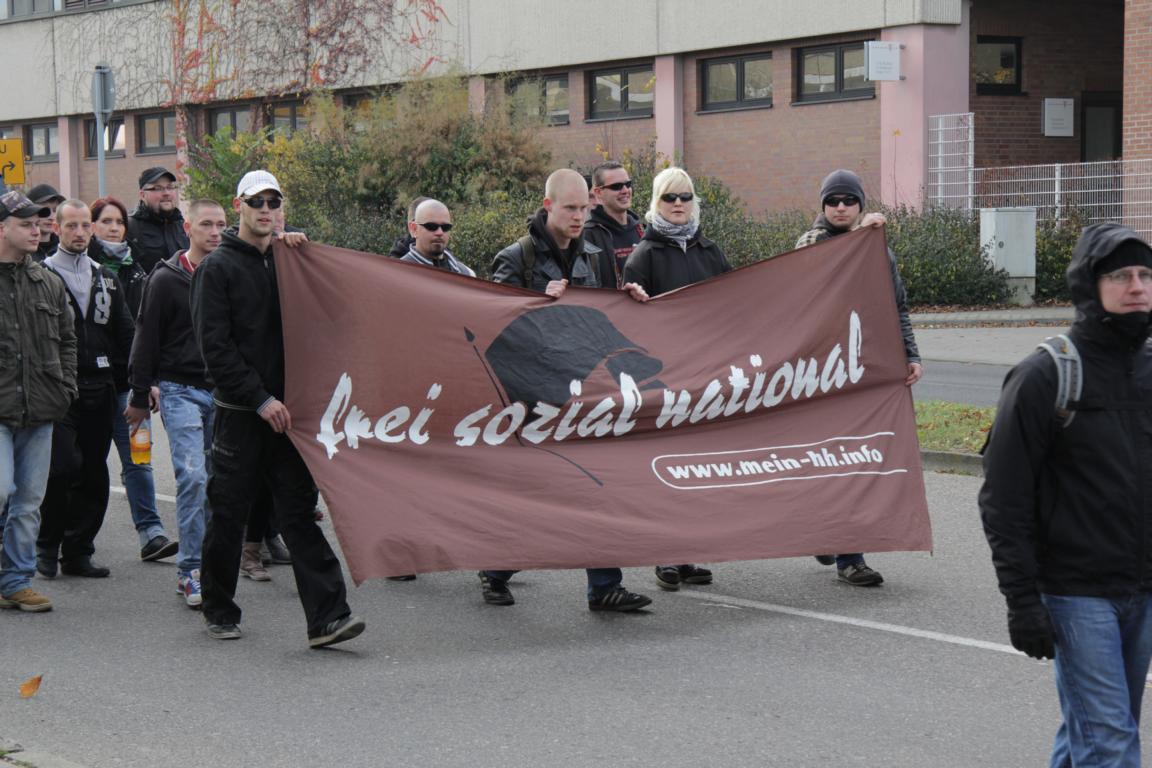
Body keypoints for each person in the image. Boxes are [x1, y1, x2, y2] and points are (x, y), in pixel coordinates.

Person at [980, 223, 1152, 767]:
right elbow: (1003, 499)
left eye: (1145, 274)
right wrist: (1022, 601)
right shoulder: (1045, 375)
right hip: (1076, 593)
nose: (1137, 286)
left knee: (1097, 730)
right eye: (1120, 276)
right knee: (1111, 743)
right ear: (1089, 285)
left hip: (1142, 589)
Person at [190, 170, 365, 647]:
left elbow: (331, 318)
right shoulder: (216, 269)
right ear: (239, 206)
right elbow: (216, 349)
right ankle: (218, 608)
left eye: (274, 201)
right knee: (228, 515)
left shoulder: (293, 261)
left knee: (298, 514)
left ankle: (329, 618)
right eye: (257, 202)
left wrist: (305, 256)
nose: (265, 210)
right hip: (240, 415)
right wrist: (259, 398)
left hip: (292, 417)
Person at [483, 168, 652, 612]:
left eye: (583, 208)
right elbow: (492, 322)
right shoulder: (515, 258)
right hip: (530, 396)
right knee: (534, 493)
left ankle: (604, 586)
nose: (579, 217)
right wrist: (537, 298)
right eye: (570, 208)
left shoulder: (595, 255)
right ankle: (495, 568)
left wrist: (628, 296)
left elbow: (602, 314)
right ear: (548, 207)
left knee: (597, 487)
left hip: (582, 391)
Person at [794, 169, 922, 587]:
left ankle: (850, 555)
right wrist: (862, 236)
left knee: (858, 460)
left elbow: (896, 305)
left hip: (865, 366)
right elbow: (813, 277)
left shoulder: (878, 248)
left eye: (849, 200)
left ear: (860, 204)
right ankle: (825, 530)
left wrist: (910, 354)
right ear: (822, 205)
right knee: (827, 460)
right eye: (833, 201)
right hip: (820, 372)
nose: (841, 207)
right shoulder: (812, 241)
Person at [623, 166, 729, 592]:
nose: (679, 204)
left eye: (685, 196)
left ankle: (686, 551)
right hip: (663, 381)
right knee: (663, 470)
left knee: (693, 470)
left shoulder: (711, 252)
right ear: (656, 202)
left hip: (706, 379)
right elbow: (629, 325)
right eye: (670, 197)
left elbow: (738, 306)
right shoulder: (643, 256)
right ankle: (664, 552)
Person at [127, 199, 228, 608]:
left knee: (218, 484)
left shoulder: (227, 273)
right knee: (193, 477)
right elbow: (145, 336)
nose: (215, 232)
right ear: (188, 228)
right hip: (178, 389)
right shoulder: (165, 279)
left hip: (223, 393)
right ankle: (190, 571)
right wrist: (139, 394)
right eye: (206, 224)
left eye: (221, 225)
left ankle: (213, 564)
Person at [38, 200, 134, 579]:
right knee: (63, 467)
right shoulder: (42, 275)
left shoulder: (105, 276)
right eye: (71, 226)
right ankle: (47, 546)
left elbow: (126, 332)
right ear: (57, 228)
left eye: (84, 226)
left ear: (91, 229)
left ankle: (78, 551)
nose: (79, 233)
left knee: (95, 472)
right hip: (59, 388)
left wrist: (142, 383)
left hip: (102, 385)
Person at [90, 196, 176, 563]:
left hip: (130, 388)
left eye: (119, 222)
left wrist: (148, 380)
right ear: (92, 226)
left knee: (139, 461)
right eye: (106, 221)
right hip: (90, 386)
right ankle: (71, 539)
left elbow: (146, 333)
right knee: (84, 467)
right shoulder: (84, 268)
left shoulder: (137, 270)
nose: (114, 228)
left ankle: (151, 533)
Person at [0, 191, 76, 613]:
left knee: (29, 501)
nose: (37, 230)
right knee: (1, 490)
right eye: (26, 224)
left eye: (38, 223)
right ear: (2, 229)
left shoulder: (48, 281)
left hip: (41, 408)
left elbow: (67, 339)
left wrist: (66, 389)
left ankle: (16, 582)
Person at [583, 161, 645, 289]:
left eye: (628, 184)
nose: (625, 190)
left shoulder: (643, 230)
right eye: (616, 186)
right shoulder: (587, 236)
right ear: (598, 192)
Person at [126, 167, 188, 274]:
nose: (166, 193)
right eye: (158, 188)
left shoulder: (184, 226)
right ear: (142, 195)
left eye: (170, 187)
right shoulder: (130, 228)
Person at [399, 199, 475, 276]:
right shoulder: (400, 273)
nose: (440, 233)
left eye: (445, 227)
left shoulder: (466, 275)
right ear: (414, 229)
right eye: (431, 226)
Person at [27, 184, 65, 262]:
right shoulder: (21, 250)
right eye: (45, 211)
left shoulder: (65, 247)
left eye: (55, 210)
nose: (51, 217)